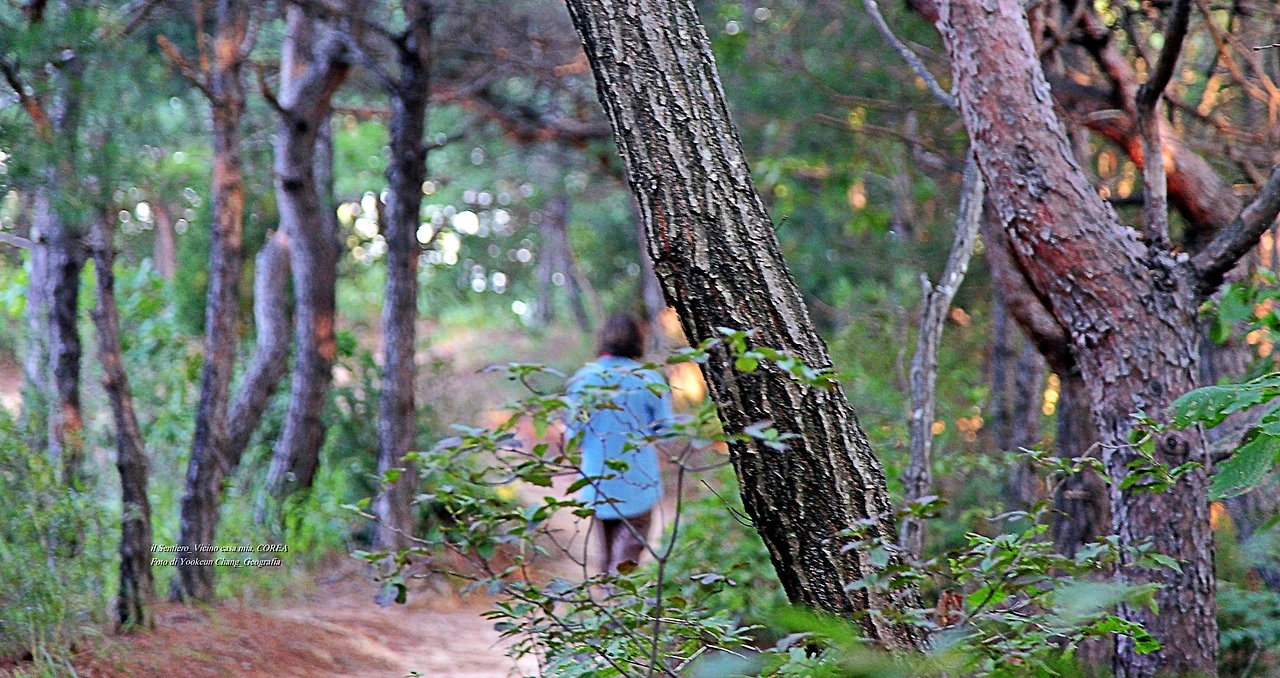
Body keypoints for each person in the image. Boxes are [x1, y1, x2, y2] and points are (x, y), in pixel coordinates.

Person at [565, 313, 673, 575]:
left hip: (597, 482)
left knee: (606, 557)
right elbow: (666, 429)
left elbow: (572, 435)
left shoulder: (583, 379)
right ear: (639, 340)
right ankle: (617, 597)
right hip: (639, 483)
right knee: (626, 561)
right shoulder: (648, 378)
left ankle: (605, 597)